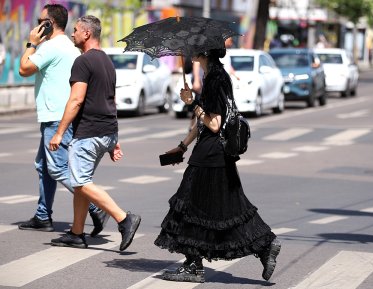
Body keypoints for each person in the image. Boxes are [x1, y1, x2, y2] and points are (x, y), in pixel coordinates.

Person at [154, 45, 281, 283]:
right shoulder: (215, 75)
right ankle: (266, 245)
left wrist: (192, 103)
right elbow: (203, 123)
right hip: (217, 153)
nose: (190, 51)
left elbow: (213, 123)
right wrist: (182, 146)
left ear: (203, 53)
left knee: (188, 205)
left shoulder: (215, 79)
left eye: (194, 48)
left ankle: (193, 267)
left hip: (210, 154)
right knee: (231, 207)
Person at [48, 15, 141, 250]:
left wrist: (59, 133)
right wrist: (114, 140)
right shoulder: (107, 62)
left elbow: (76, 100)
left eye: (76, 30)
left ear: (87, 34)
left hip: (88, 132)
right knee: (82, 182)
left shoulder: (83, 61)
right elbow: (111, 100)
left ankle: (124, 218)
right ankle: (76, 233)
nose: (73, 34)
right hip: (106, 131)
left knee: (80, 182)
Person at [18, 4, 108, 235]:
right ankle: (42, 215)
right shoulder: (68, 46)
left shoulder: (51, 46)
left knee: (57, 169)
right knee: (44, 166)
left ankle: (99, 206)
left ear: (48, 24)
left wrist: (31, 43)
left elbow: (24, 69)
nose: (36, 25)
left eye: (40, 21)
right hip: (59, 114)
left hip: (55, 116)